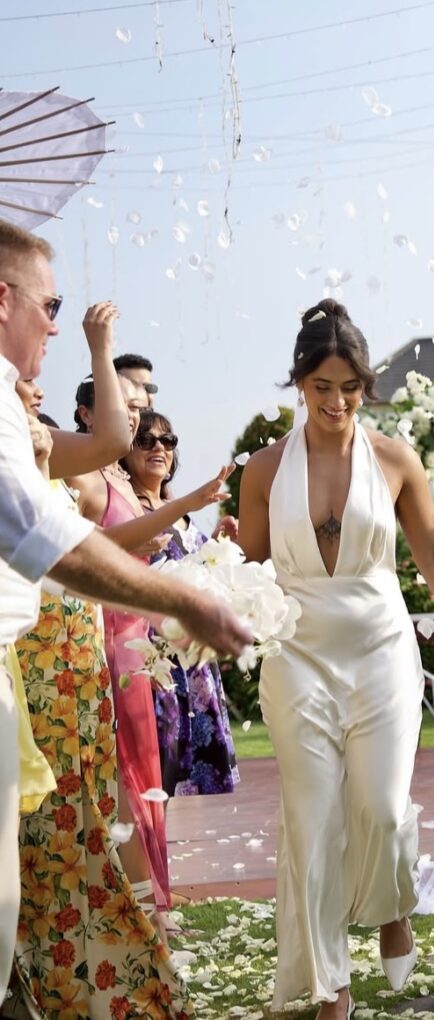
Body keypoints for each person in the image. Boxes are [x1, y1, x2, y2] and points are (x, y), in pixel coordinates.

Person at [237, 299, 434, 1020]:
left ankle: (394, 904)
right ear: (299, 383)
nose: (335, 402)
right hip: (296, 655)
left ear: (366, 384)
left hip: (380, 651)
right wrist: (216, 585)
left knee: (384, 809)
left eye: (350, 387)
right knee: (311, 817)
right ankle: (334, 989)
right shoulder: (265, 470)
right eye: (321, 386)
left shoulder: (394, 459)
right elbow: (249, 570)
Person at [0, 218, 249, 1004]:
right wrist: (181, 595)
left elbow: (111, 436)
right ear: (2, 299)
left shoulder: (15, 415)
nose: (54, 322)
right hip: (45, 652)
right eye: (49, 303)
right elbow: (46, 534)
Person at [12, 359, 192, 1017]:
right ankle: (47, 977)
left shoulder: (54, 472)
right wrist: (99, 341)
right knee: (50, 825)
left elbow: (115, 439)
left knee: (91, 816)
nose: (30, 386)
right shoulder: (26, 482)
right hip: (40, 669)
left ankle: (92, 970)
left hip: (81, 672)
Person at [68, 379, 234, 938]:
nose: (146, 434)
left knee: (151, 778)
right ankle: (142, 905)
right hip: (115, 639)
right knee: (129, 777)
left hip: (158, 647)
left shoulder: (127, 486)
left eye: (160, 430)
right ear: (89, 416)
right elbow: (87, 551)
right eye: (134, 419)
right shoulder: (91, 483)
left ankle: (154, 900)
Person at [123, 408, 241, 797]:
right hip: (154, 658)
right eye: (146, 439)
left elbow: (197, 569)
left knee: (179, 784)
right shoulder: (131, 509)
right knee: (156, 775)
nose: (159, 446)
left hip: (192, 663)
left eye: (168, 440)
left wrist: (221, 545)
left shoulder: (183, 514)